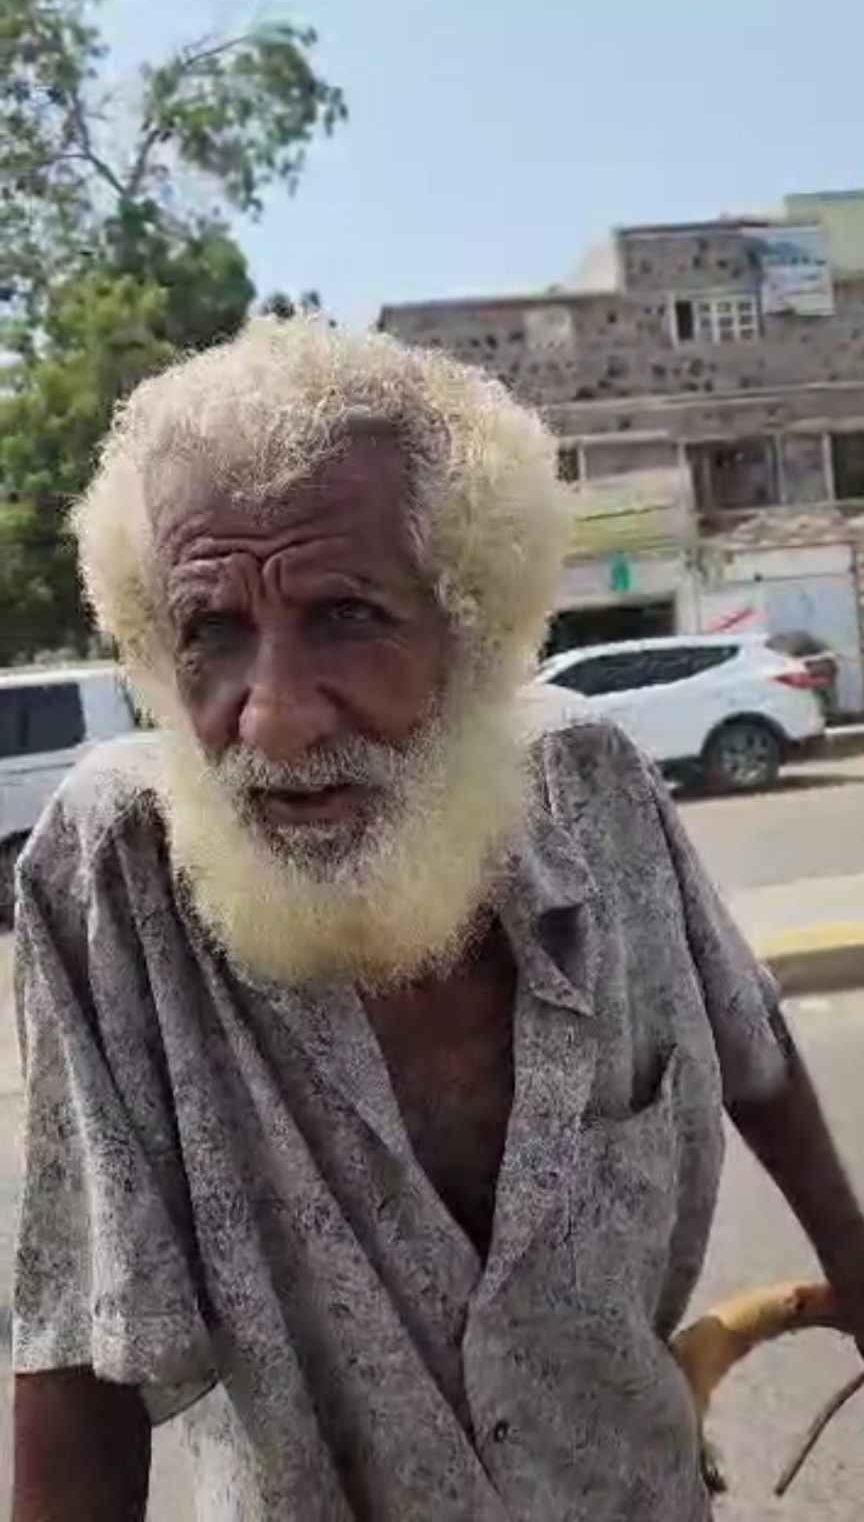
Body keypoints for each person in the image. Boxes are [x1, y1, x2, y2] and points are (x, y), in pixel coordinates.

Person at [11, 319, 864, 1522]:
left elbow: (749, 1042)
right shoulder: (111, 875)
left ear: (474, 626)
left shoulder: (597, 787)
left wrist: (852, 1258)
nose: (272, 717)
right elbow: (78, 1360)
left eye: (346, 614)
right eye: (211, 631)